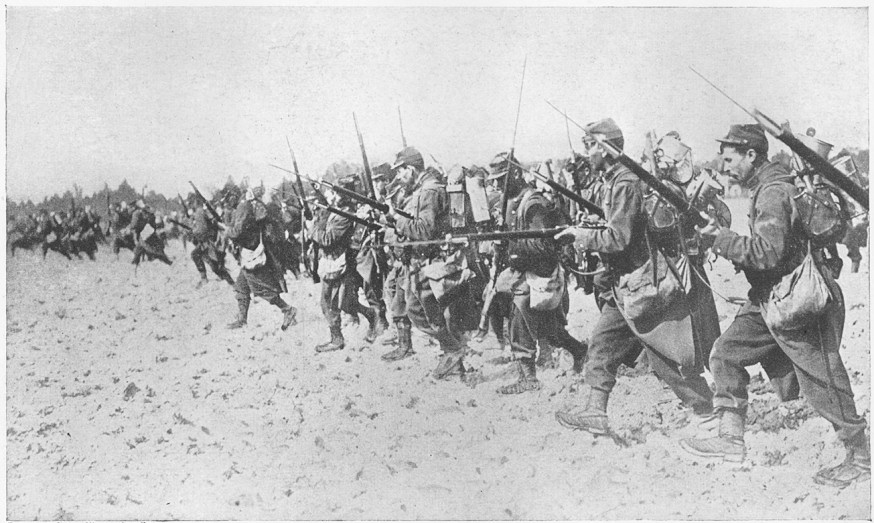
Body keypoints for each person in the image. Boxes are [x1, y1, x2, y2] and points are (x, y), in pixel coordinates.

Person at [679, 124, 869, 487]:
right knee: (726, 354)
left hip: (800, 300)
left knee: (824, 381)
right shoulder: (767, 187)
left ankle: (862, 460)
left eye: (730, 159)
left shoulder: (773, 192)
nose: (723, 165)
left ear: (752, 155)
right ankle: (730, 439)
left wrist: (722, 239)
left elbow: (767, 254)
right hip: (772, 296)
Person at [554, 118, 714, 435]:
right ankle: (595, 412)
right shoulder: (618, 180)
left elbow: (619, 238)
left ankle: (706, 408)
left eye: (590, 146)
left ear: (606, 148)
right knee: (602, 345)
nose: (587, 153)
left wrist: (581, 236)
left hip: (643, 284)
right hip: (628, 284)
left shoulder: (624, 183)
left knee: (662, 358)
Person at [494, 159, 588, 394]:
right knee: (549, 329)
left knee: (519, 317)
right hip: (525, 272)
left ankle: (528, 378)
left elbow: (543, 244)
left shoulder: (533, 203)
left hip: (536, 273)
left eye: (501, 179)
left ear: (516, 175)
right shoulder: (515, 202)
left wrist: (514, 247)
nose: (496, 185)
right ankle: (579, 351)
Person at [383, 146, 470, 380]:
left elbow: (423, 231)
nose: (398, 176)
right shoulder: (426, 189)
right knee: (421, 310)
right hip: (428, 261)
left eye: (400, 171)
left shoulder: (428, 191)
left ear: (411, 169)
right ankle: (453, 356)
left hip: (432, 262)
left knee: (419, 310)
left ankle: (453, 350)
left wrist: (395, 218)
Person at [310, 176, 380, 352]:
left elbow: (328, 239)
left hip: (340, 263)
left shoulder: (344, 215)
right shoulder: (337, 211)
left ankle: (343, 335)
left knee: (339, 303)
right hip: (332, 262)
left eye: (336, 193)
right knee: (332, 302)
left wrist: (312, 228)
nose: (333, 196)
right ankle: (339, 336)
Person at [224, 186, 297, 331]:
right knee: (241, 287)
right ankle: (242, 319)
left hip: (253, 253)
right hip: (251, 253)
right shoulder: (248, 204)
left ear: (234, 196)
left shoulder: (243, 206)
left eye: (228, 198)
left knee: (260, 289)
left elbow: (238, 231)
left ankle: (288, 309)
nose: (227, 202)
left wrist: (227, 231)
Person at [190, 202, 234, 288]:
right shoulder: (204, 210)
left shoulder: (199, 212)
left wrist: (194, 231)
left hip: (210, 242)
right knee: (214, 265)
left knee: (213, 264)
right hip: (214, 240)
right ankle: (232, 284)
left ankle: (205, 279)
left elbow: (202, 229)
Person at [130, 200, 173, 268]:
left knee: (152, 250)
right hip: (145, 234)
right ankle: (135, 263)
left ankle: (135, 263)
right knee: (142, 248)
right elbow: (134, 227)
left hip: (147, 233)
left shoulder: (140, 214)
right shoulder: (140, 213)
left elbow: (134, 226)